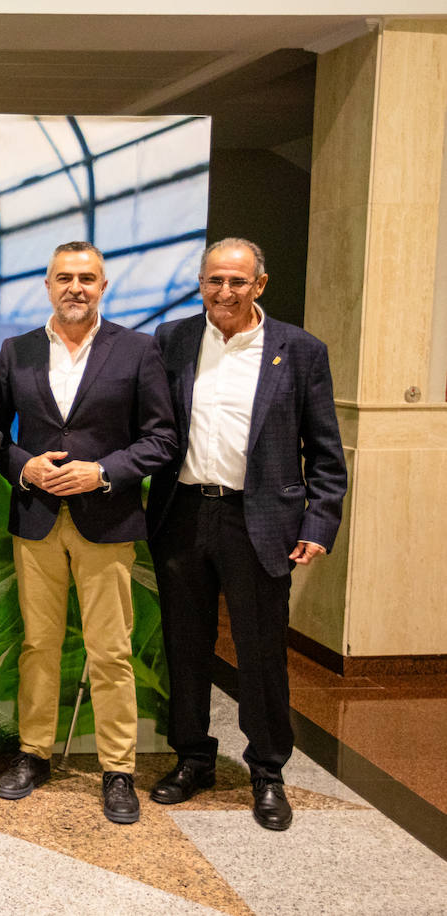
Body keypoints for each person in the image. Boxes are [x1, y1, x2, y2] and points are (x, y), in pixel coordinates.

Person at [147, 237, 346, 831]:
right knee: (185, 643)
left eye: (237, 282)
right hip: (182, 513)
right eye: (214, 281)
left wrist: (320, 520)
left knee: (261, 651)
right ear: (201, 284)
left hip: (259, 520)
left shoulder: (299, 351)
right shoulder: (173, 341)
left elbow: (327, 453)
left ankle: (267, 770)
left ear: (259, 284)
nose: (224, 293)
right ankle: (192, 757)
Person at [0, 241, 177, 824]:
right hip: (37, 521)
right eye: (64, 277)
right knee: (38, 645)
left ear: (103, 286)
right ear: (47, 285)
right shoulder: (17, 351)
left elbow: (161, 439)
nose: (76, 287)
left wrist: (104, 472)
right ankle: (33, 753)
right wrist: (24, 464)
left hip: (107, 519)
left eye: (87, 278)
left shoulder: (139, 351)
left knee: (111, 650)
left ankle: (118, 769)